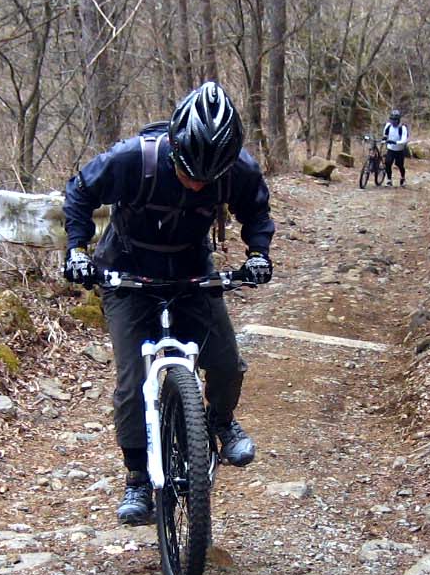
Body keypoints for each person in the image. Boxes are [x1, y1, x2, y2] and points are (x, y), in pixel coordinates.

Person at [62, 82, 276, 526]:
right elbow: (79, 192)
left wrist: (258, 254)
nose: (196, 183)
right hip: (125, 269)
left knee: (226, 362)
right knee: (131, 381)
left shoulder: (237, 169)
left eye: (207, 179)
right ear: (175, 147)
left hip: (191, 269)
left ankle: (219, 421)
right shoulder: (132, 159)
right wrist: (77, 252)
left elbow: (256, 212)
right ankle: (138, 478)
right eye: (188, 172)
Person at [381, 108, 409, 186]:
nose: (393, 121)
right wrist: (384, 140)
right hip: (391, 149)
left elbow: (404, 140)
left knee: (400, 165)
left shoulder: (402, 128)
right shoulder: (388, 126)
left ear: (398, 120)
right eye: (392, 119)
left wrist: (395, 142)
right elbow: (385, 135)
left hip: (400, 150)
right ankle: (389, 180)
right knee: (387, 163)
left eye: (395, 120)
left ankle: (402, 178)